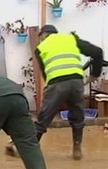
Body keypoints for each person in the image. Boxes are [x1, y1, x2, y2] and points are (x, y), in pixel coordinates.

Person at [6, 25, 103, 160]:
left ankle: (26, 149)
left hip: (57, 83)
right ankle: (77, 150)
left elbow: (46, 73)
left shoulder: (40, 48)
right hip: (76, 82)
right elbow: (98, 52)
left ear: (43, 35)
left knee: (44, 118)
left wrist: (50, 90)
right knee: (77, 116)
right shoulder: (71, 39)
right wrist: (95, 74)